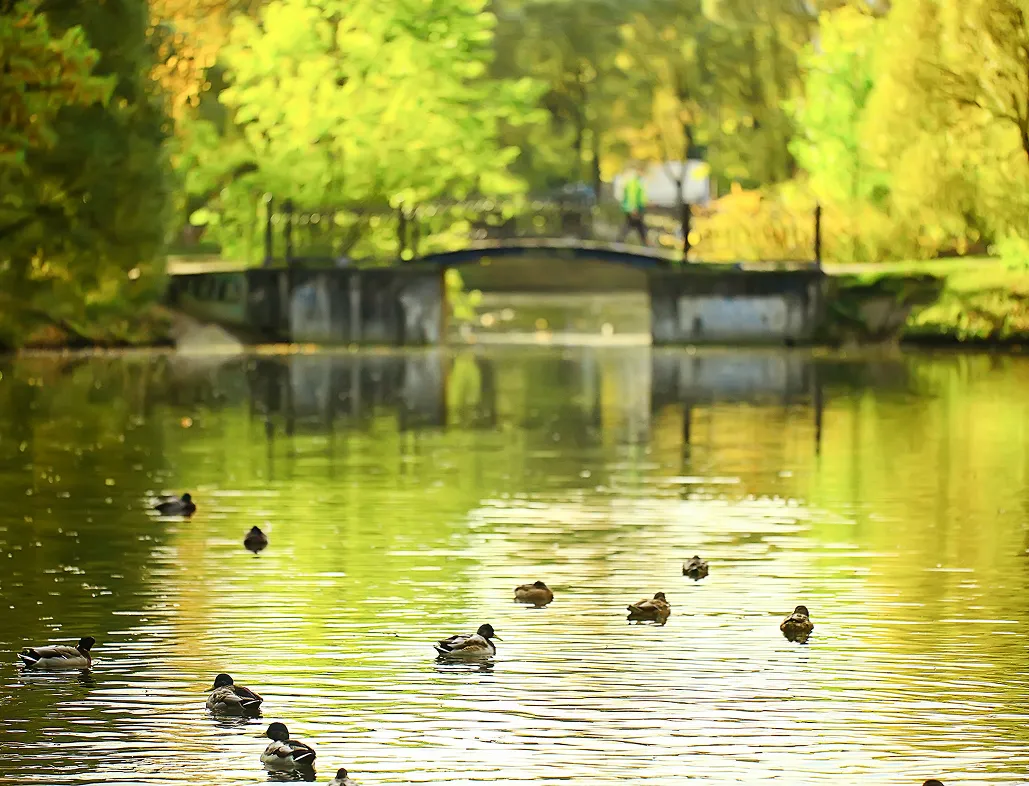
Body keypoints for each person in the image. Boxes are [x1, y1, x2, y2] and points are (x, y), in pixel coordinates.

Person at [619, 165, 648, 245]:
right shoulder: (634, 183)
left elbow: (641, 196)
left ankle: (619, 241)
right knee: (634, 225)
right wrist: (633, 208)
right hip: (634, 209)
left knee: (636, 226)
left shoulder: (638, 182)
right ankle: (646, 242)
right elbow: (632, 197)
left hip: (637, 208)